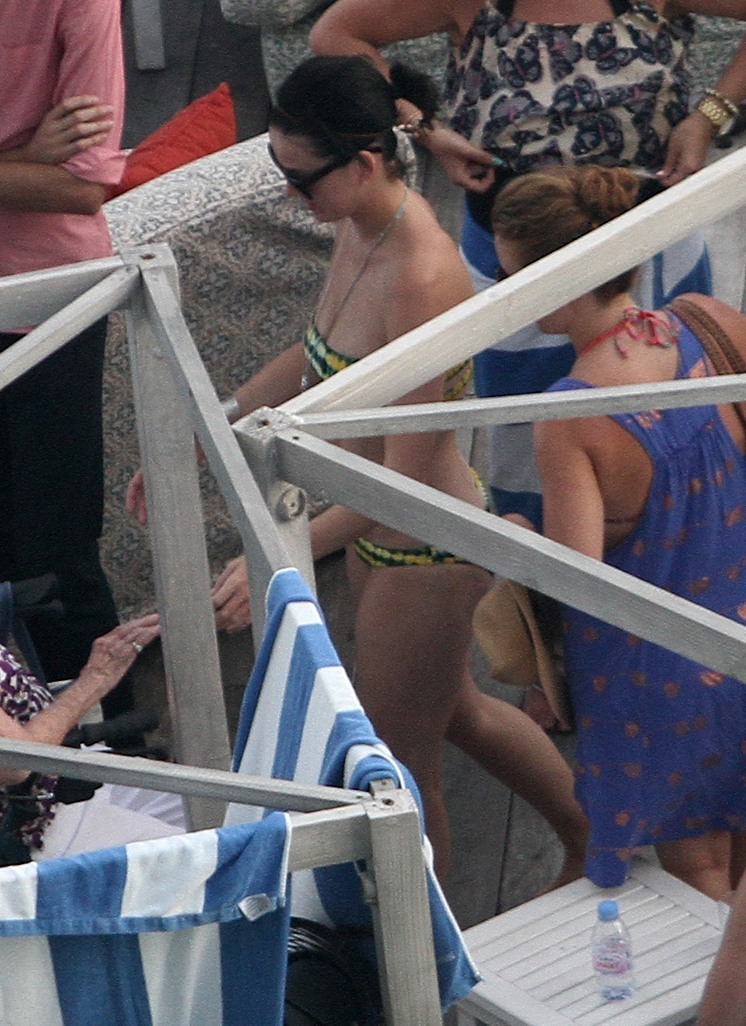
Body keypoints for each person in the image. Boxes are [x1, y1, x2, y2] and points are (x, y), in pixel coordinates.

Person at [128, 54, 588, 881]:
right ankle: (590, 836)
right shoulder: (355, 224)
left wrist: (277, 550)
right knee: (459, 715)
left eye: (300, 178)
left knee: (398, 772)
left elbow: (402, 478)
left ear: (366, 162)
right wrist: (202, 429)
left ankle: (423, 981)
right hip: (375, 523)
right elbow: (312, 355)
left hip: (422, 540)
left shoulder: (422, 276)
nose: (287, 194)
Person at [310, 0, 746, 730]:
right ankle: (554, 655)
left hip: (643, 254)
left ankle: (671, 633)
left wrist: (708, 115)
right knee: (526, 461)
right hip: (516, 269)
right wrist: (426, 132)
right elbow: (338, 34)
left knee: (657, 450)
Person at [490, 162, 746, 897]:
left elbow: (580, 578)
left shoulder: (573, 411)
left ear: (565, 277)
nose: (505, 292)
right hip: (738, 632)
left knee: (697, 873)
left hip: (662, 672)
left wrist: (511, 534)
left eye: (513, 275)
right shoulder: (709, 320)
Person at [0, 1, 131, 716]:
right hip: (46, 289)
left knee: (60, 556)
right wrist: (26, 160)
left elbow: (83, 187)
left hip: (50, 301)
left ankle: (110, 761)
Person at [0, 613, 162, 862]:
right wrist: (97, 677)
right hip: (39, 820)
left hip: (74, 768)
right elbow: (15, 760)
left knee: (220, 807)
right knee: (212, 856)